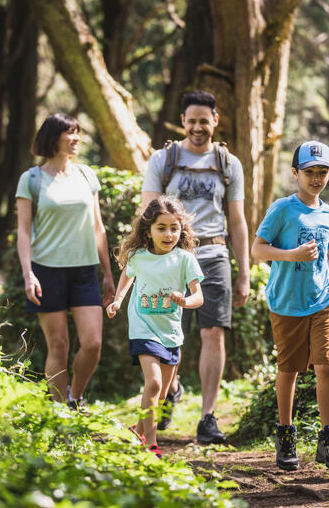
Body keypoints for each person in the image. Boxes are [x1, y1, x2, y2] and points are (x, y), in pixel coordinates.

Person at [141, 90, 249, 444]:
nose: (198, 127)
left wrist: (244, 272)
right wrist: (143, 263)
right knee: (170, 332)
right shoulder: (163, 159)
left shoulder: (228, 164)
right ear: (183, 121)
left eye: (205, 121)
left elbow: (237, 221)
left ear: (216, 121)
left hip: (214, 255)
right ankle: (170, 392)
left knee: (213, 332)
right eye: (192, 121)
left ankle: (207, 418)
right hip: (170, 258)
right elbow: (147, 216)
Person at [251, 140, 329, 471]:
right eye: (310, 172)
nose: (316, 179)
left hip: (320, 300)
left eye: (322, 173)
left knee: (326, 367)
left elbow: (328, 255)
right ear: (295, 173)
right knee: (289, 370)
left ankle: (328, 438)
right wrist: (291, 256)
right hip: (286, 303)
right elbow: (258, 250)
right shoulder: (283, 209)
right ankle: (285, 435)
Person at [15, 113, 115, 409]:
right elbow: (23, 231)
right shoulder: (31, 179)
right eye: (69, 133)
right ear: (52, 137)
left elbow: (98, 227)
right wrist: (28, 274)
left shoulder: (86, 175)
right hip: (46, 272)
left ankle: (76, 395)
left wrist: (108, 272)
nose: (76, 139)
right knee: (58, 346)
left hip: (84, 271)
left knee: (93, 343)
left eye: (78, 132)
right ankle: (60, 413)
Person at [106, 195, 204, 458]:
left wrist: (185, 300)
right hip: (143, 328)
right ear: (148, 231)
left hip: (171, 333)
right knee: (154, 383)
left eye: (174, 228)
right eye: (161, 228)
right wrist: (117, 300)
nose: (168, 234)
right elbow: (127, 274)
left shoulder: (185, 259)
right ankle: (151, 443)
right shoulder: (139, 256)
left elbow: (199, 296)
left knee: (160, 394)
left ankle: (137, 430)